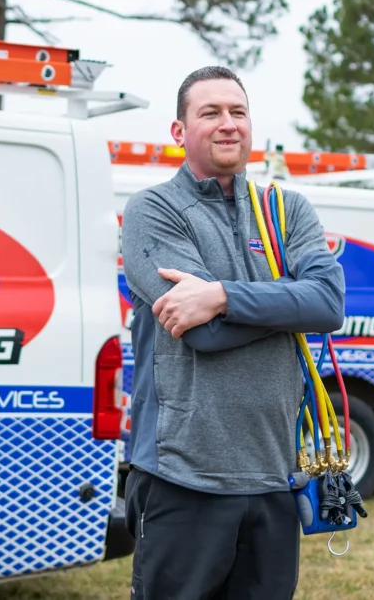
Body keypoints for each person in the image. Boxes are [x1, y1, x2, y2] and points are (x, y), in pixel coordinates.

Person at [120, 65, 347, 599]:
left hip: (274, 475)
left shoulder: (287, 210)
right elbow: (204, 337)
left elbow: (329, 303)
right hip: (183, 477)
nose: (228, 124)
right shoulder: (153, 211)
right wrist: (290, 306)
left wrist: (220, 297)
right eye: (211, 113)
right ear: (179, 132)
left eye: (238, 112)